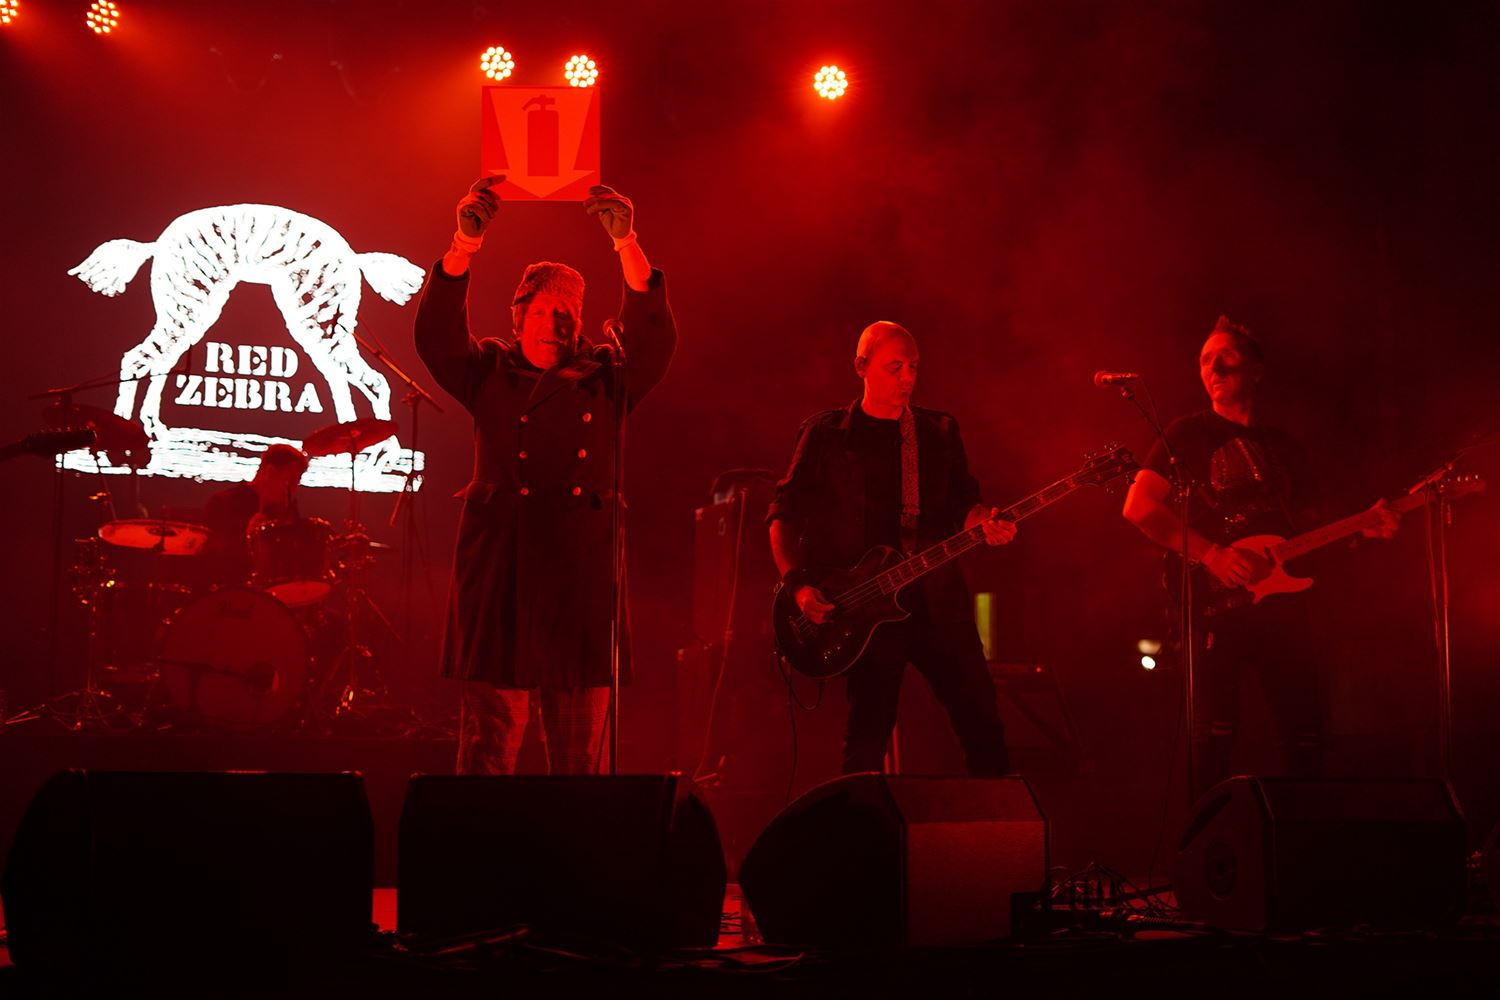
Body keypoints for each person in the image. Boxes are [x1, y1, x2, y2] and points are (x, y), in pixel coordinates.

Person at [414, 175, 677, 775]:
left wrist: (627, 244)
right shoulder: (487, 370)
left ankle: (577, 839)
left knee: (582, 762)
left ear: (579, 323)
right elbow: (435, 337)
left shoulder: (608, 376)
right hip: (503, 573)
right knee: (489, 751)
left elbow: (654, 339)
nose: (551, 324)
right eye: (539, 311)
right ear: (518, 318)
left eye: (564, 314)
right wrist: (463, 245)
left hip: (581, 578)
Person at [1121, 315, 1398, 798]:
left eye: (1225, 356)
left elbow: (1308, 535)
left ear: (1256, 369)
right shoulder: (1187, 433)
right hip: (1215, 603)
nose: (1213, 368)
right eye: (1204, 360)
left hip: (1284, 606)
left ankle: (1300, 830)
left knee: (1306, 732)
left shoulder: (1285, 447)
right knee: (1214, 733)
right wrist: (1212, 554)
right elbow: (1139, 508)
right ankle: (1206, 836)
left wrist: (1361, 531)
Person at [767, 321, 1015, 776]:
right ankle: (859, 818)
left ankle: (996, 818)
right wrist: (797, 586)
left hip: (937, 601)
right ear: (861, 367)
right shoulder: (826, 435)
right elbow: (783, 516)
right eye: (894, 367)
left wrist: (985, 523)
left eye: (914, 367)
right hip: (865, 610)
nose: (907, 378)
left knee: (983, 724)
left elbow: (963, 505)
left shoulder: (938, 431)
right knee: (868, 737)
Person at [200, 443, 311, 586]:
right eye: (290, 482)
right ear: (270, 472)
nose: (294, 490)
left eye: (297, 483)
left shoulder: (287, 513)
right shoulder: (224, 503)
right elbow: (209, 557)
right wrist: (246, 538)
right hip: (233, 591)